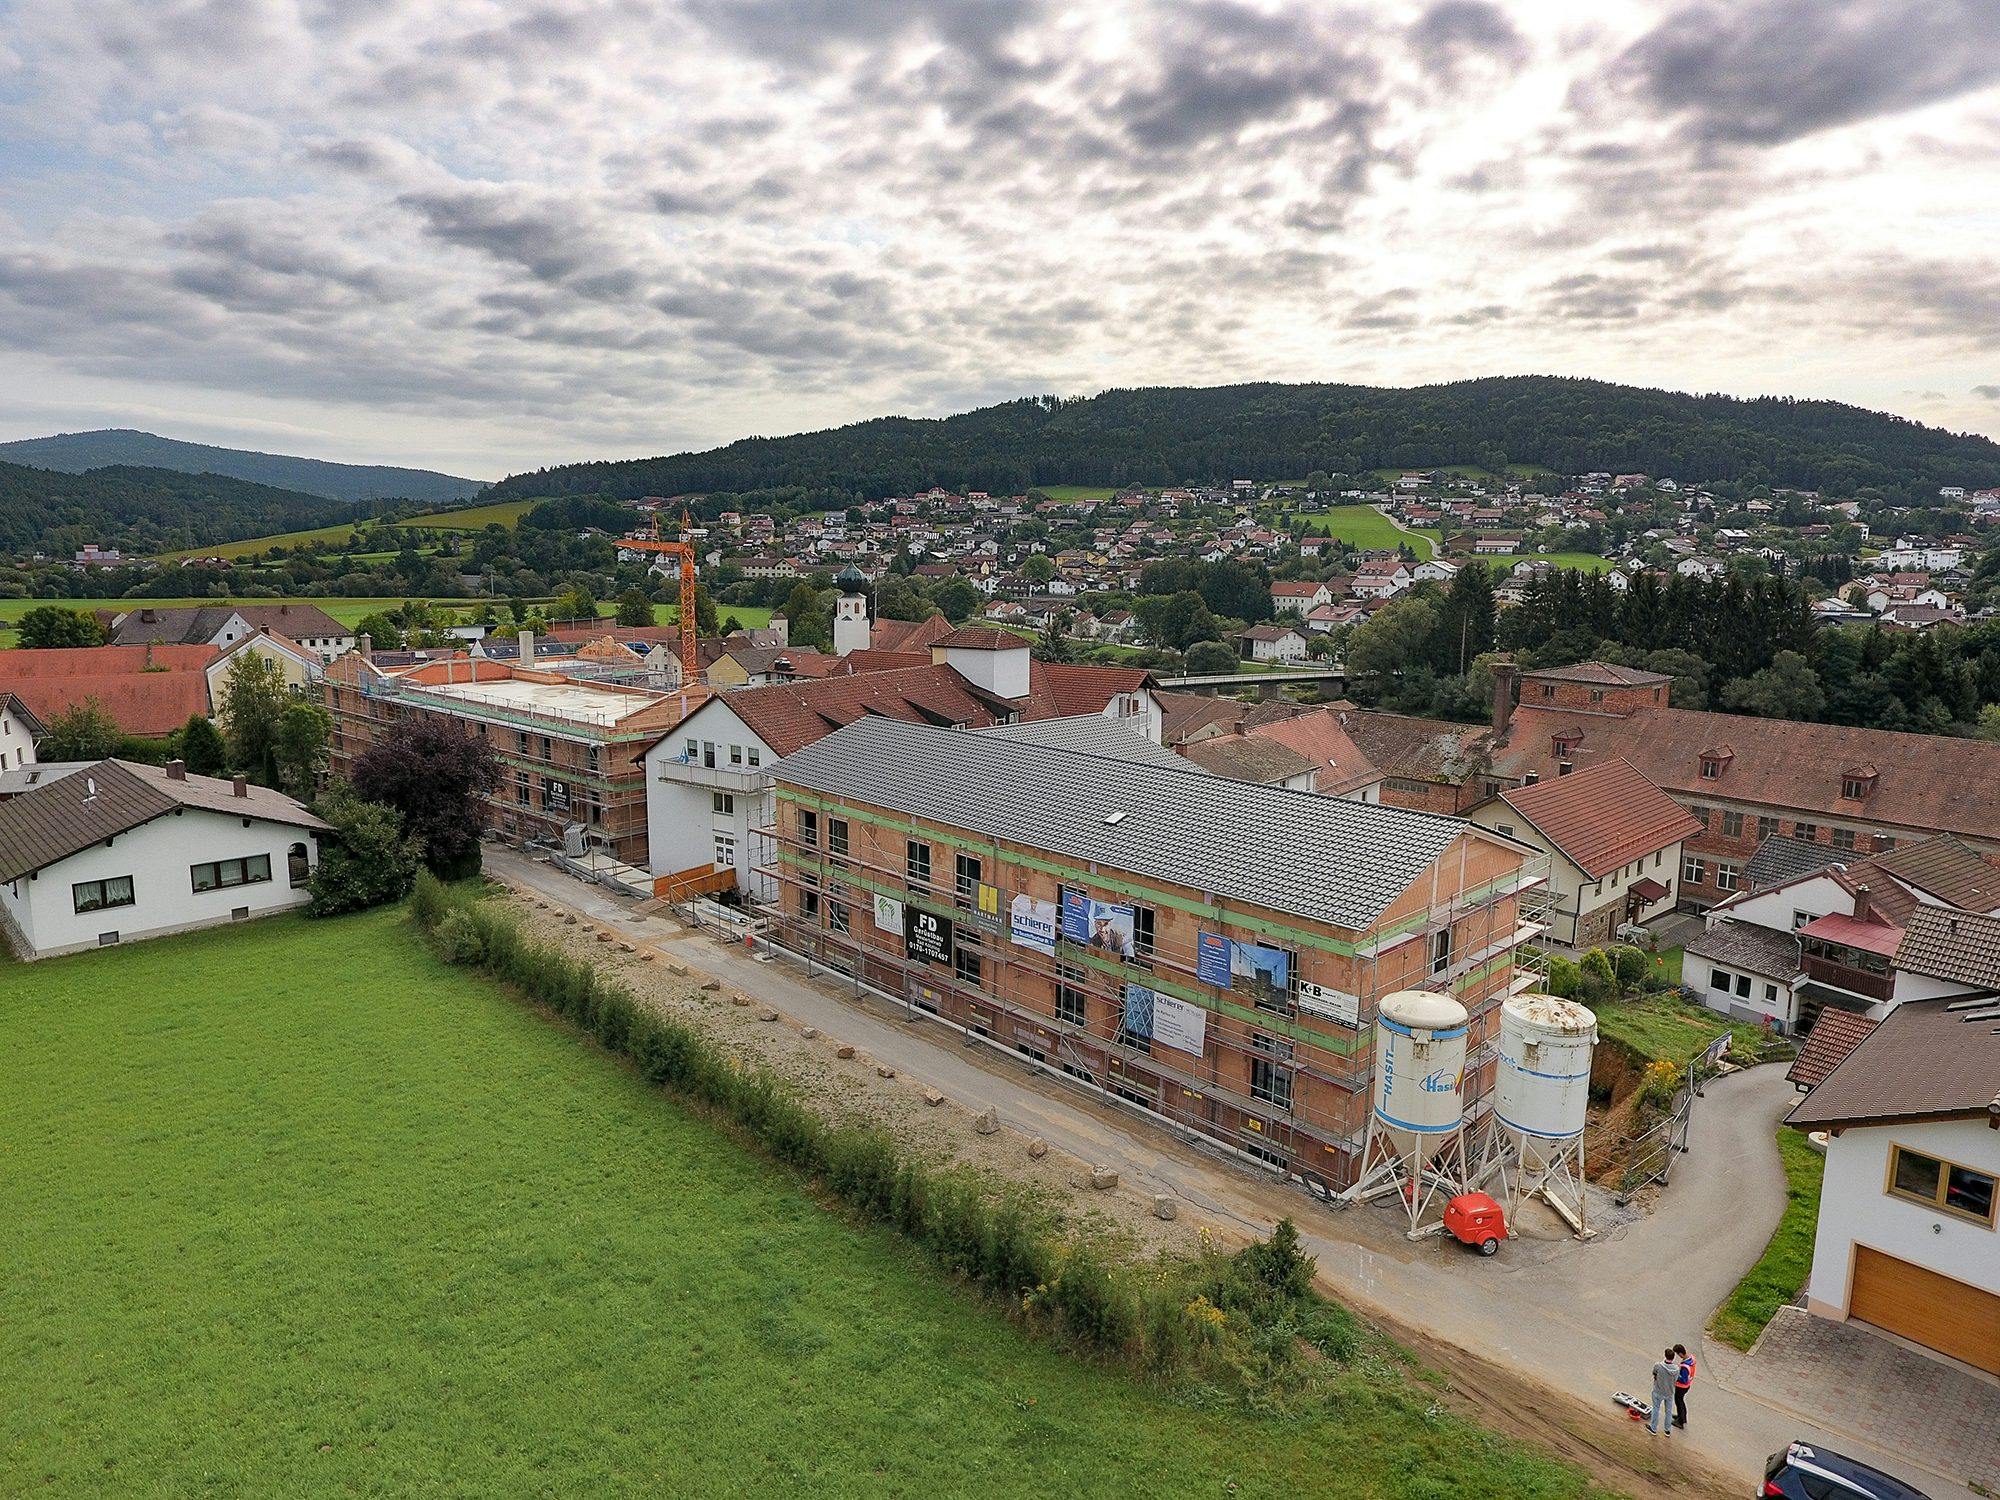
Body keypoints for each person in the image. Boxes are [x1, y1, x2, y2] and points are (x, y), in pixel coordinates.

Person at [1648, 1348, 1678, 1436]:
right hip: (1669, 1393)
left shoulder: (1658, 1365)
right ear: (1673, 1358)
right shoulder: (1676, 1369)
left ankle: (1653, 1428)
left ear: (1665, 1355)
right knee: (1668, 1411)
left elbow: (1654, 1373)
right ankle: (1667, 1430)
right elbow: (1675, 1380)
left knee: (1656, 1409)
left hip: (1658, 1391)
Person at [1673, 1343, 1695, 1429]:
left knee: (1679, 1402)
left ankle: (1680, 1421)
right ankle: (1682, 1417)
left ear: (1680, 1354)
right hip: (1687, 1385)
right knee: (1681, 1401)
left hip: (1682, 1387)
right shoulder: (1692, 1358)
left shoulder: (1685, 1367)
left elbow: (1683, 1379)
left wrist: (1676, 1375)